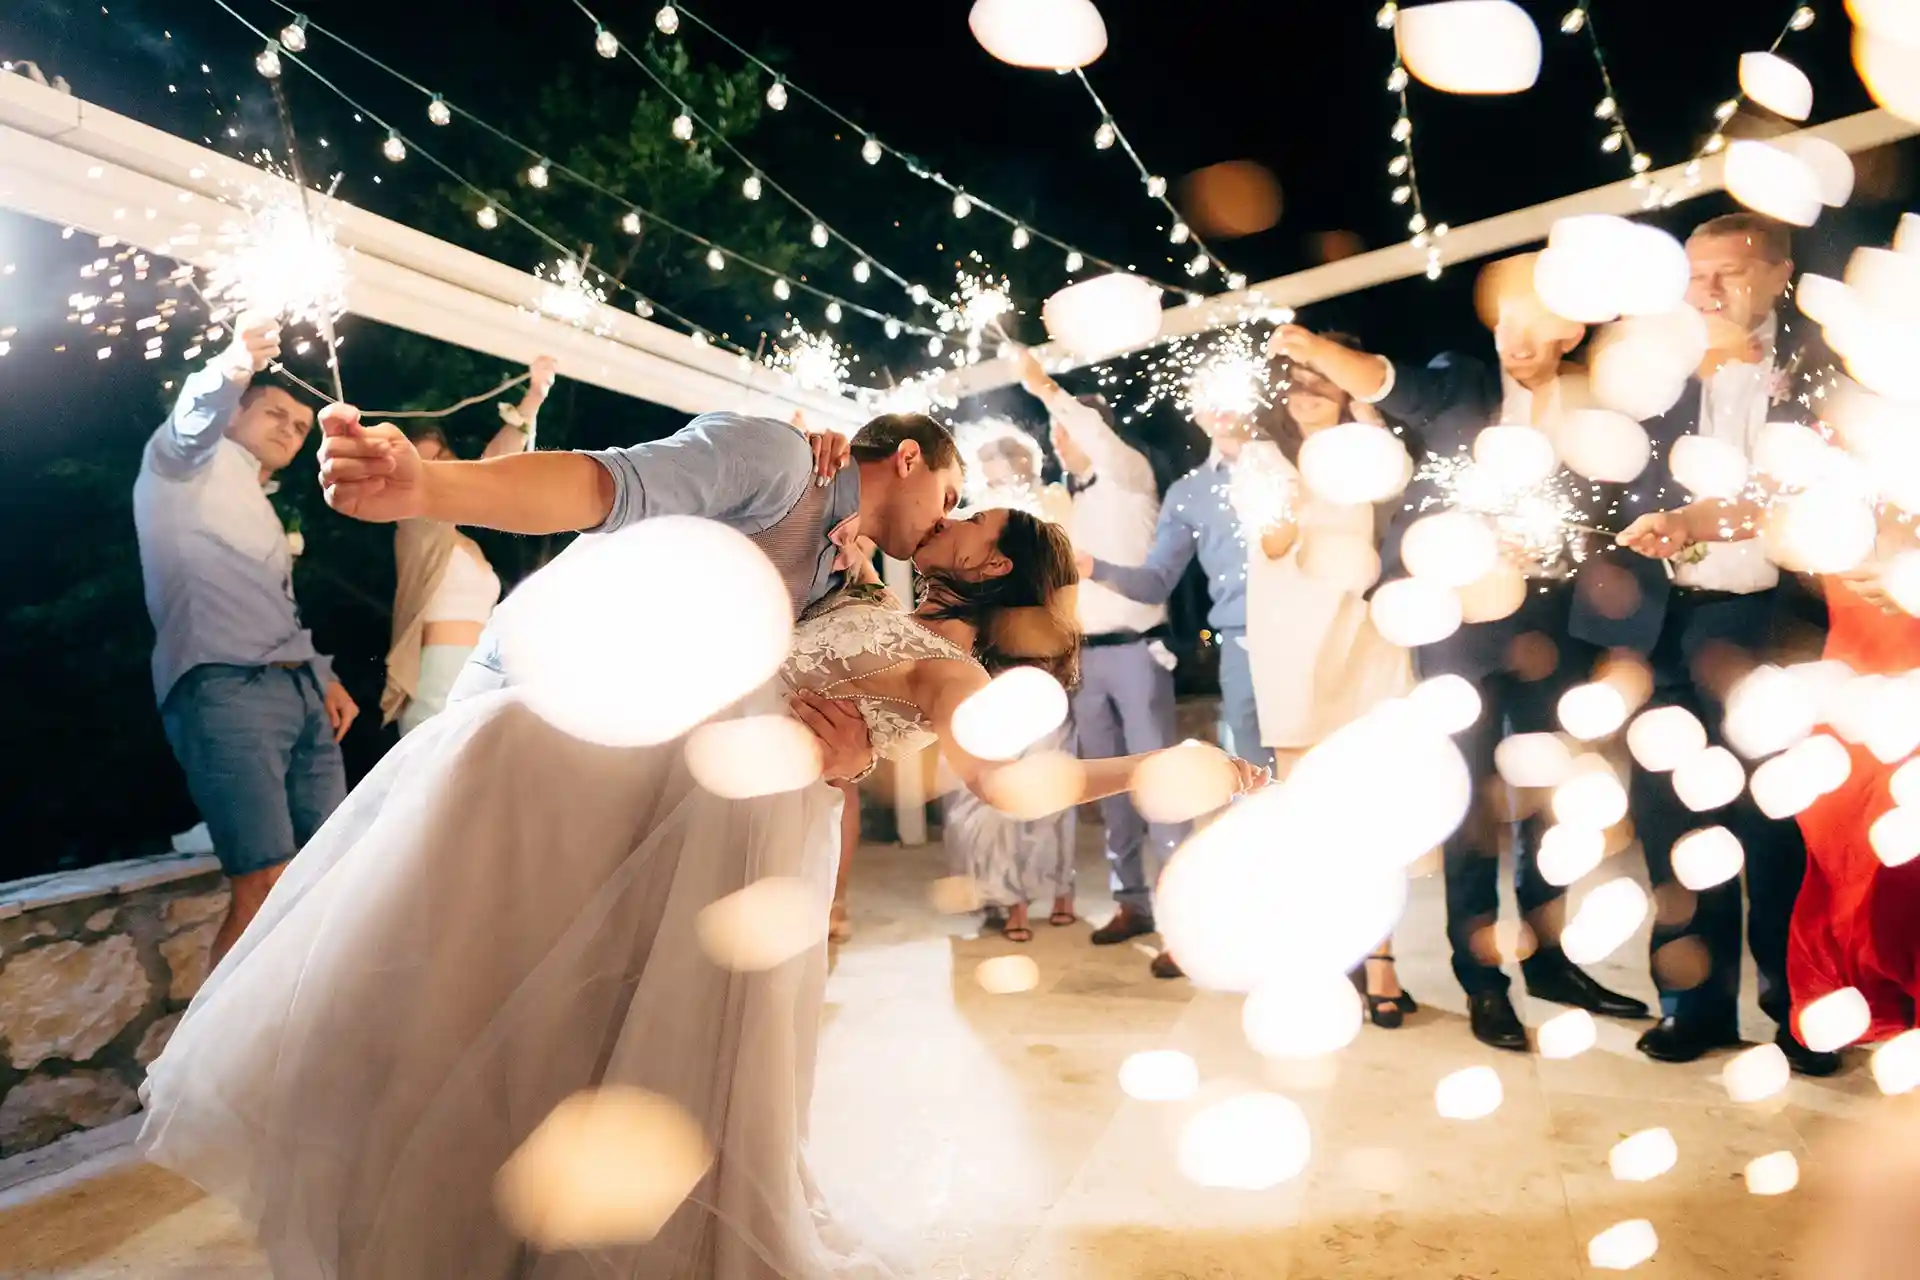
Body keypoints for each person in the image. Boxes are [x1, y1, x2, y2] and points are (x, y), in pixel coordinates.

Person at [140, 461, 1270, 1278]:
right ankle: (459, 1196)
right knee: (506, 985)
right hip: (646, 760)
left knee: (627, 1024)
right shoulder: (871, 588)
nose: (957, 512)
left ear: (996, 567)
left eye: (980, 519)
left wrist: (1158, 764)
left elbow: (1010, 782)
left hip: (706, 805)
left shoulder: (950, 666)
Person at [1269, 265, 1651, 1054]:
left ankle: (1548, 960)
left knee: (1549, 795)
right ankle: (1483, 982)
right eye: (1504, 323)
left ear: (1571, 331)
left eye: (1534, 326)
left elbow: (1612, 506)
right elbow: (1382, 379)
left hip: (1554, 621)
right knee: (1470, 807)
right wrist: (1307, 344)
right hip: (1460, 625)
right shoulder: (1458, 384)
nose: (1514, 341)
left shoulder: (1590, 408)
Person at [1590, 213, 1841, 1076]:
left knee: (1774, 823)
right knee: (1673, 822)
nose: (1705, 292)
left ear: (1779, 273)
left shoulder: (1820, 363)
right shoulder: (1652, 369)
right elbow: (1600, 475)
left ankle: (1797, 1009)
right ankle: (1689, 1005)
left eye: (1727, 274)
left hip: (1773, 619)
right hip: (1667, 623)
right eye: (1692, 275)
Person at [132, 313, 357, 965]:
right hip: (224, 685)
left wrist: (323, 676)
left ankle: (292, 1039)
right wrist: (231, 367)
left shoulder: (259, 500)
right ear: (236, 414)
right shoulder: (179, 464)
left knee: (327, 875)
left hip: (302, 696)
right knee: (263, 884)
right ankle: (202, 1067)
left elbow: (272, 606)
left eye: (301, 426)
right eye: (276, 413)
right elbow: (194, 415)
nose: (291, 429)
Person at [1241, 335, 1417, 1026]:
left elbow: (1396, 473)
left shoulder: (1370, 446)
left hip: (1365, 636)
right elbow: (1275, 542)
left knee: (1372, 811)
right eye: (1295, 378)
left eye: (1322, 378)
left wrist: (1363, 415)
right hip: (1293, 645)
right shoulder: (1262, 458)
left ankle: (1381, 959)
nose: (1306, 389)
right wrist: (1288, 501)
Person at [1017, 350, 1185, 955]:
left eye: (1067, 429)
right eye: (1056, 432)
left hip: (1138, 654)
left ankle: (1179, 921)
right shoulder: (1068, 501)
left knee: (1161, 785)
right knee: (1107, 786)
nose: (1059, 440)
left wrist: (1049, 392)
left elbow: (1097, 438)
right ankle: (1130, 902)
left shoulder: (1131, 475)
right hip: (1083, 658)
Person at [941, 418, 1076, 943]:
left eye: (1011, 473)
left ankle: (1056, 888)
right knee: (990, 790)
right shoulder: (973, 530)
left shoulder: (1048, 522)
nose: (1003, 484)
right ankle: (1008, 895)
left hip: (1041, 668)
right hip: (989, 668)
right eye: (993, 476)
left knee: (1049, 782)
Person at [383, 356, 557, 735]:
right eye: (421, 463)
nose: (434, 470)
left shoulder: (463, 545)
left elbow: (488, 476)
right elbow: (492, 468)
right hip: (441, 673)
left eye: (442, 459)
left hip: (482, 671)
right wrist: (534, 398)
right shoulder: (415, 526)